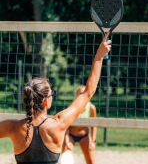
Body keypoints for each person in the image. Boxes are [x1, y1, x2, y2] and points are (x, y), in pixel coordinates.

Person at [0, 32, 111, 164]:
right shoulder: (58, 124)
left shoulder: (13, 126)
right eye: (51, 93)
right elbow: (88, 92)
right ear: (46, 101)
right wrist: (99, 57)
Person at [61, 85, 97, 164]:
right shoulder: (70, 107)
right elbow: (66, 127)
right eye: (80, 93)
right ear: (76, 94)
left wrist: (93, 141)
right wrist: (66, 141)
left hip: (85, 136)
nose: (82, 95)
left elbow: (94, 125)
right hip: (71, 136)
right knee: (65, 160)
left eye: (84, 93)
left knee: (91, 161)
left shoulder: (91, 108)